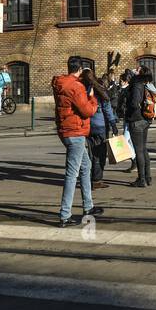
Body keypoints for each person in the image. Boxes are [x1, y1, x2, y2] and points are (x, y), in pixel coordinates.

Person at [52, 57, 102, 226]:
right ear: (80, 69)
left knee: (86, 166)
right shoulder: (76, 87)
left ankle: (88, 206)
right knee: (72, 174)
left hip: (66, 130)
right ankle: (65, 215)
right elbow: (87, 111)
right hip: (76, 132)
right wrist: (93, 99)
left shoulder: (60, 84)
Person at [85, 70, 118, 189]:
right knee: (100, 154)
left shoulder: (83, 90)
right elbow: (108, 110)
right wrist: (113, 124)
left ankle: (88, 178)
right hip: (100, 126)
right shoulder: (100, 90)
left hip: (88, 126)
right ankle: (97, 180)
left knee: (90, 154)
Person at [122, 67, 155, 187]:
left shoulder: (136, 84)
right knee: (143, 149)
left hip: (136, 120)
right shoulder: (146, 83)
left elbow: (135, 103)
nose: (134, 69)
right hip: (145, 120)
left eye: (137, 69)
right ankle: (148, 177)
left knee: (139, 150)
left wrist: (128, 107)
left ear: (140, 73)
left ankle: (141, 179)